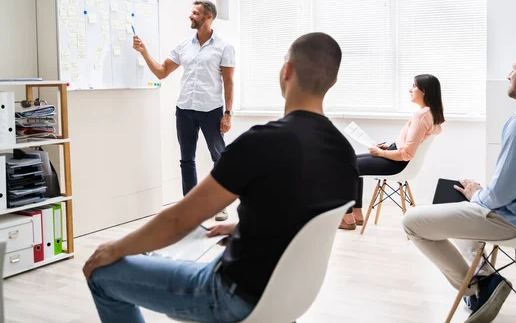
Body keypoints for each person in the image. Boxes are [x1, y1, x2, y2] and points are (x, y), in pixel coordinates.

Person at [84, 32, 359, 323]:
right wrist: (246, 228)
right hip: (287, 298)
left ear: (287, 70)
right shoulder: (345, 154)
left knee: (102, 273)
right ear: (332, 82)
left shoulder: (262, 142)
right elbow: (303, 217)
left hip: (230, 295)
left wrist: (114, 248)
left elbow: (179, 220)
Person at [403, 45, 516, 323]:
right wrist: (478, 193)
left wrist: (478, 196)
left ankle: (478, 286)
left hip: (512, 221)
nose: (509, 74)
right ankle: (483, 281)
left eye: (514, 67)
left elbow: (501, 195)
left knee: (411, 222)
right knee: (463, 193)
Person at [133, 0, 233, 221]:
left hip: (211, 110)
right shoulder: (183, 45)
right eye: (191, 12)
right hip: (185, 109)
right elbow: (161, 72)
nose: (191, 16)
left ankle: (220, 204)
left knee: (220, 157)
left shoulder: (224, 47)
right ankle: (191, 207)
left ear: (208, 17)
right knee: (186, 159)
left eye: (195, 13)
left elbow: (229, 81)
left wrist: (228, 113)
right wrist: (144, 52)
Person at [340, 74, 444, 230]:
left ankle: (348, 219)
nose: (410, 90)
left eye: (414, 86)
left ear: (425, 91)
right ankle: (357, 214)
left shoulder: (421, 116)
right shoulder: (431, 114)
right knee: (350, 161)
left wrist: (380, 153)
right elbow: (410, 146)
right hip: (397, 159)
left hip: (398, 164)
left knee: (346, 166)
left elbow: (407, 154)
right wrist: (388, 148)